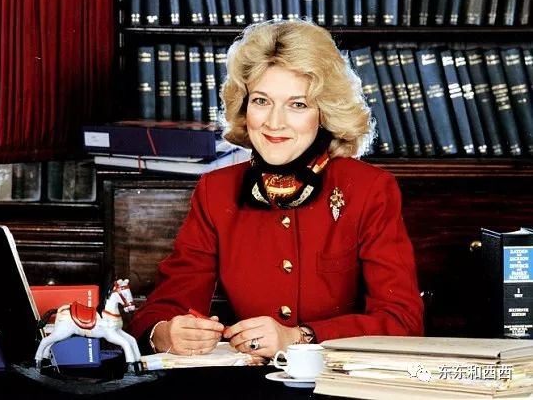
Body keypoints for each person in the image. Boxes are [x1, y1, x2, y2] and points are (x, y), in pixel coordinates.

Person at [127, 19, 424, 359]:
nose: (274, 122)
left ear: (324, 113)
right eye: (261, 101)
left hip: (338, 378)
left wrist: (300, 337)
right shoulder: (216, 191)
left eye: (298, 104)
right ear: (244, 107)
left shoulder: (369, 189)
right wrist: (164, 332)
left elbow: (403, 321)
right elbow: (164, 305)